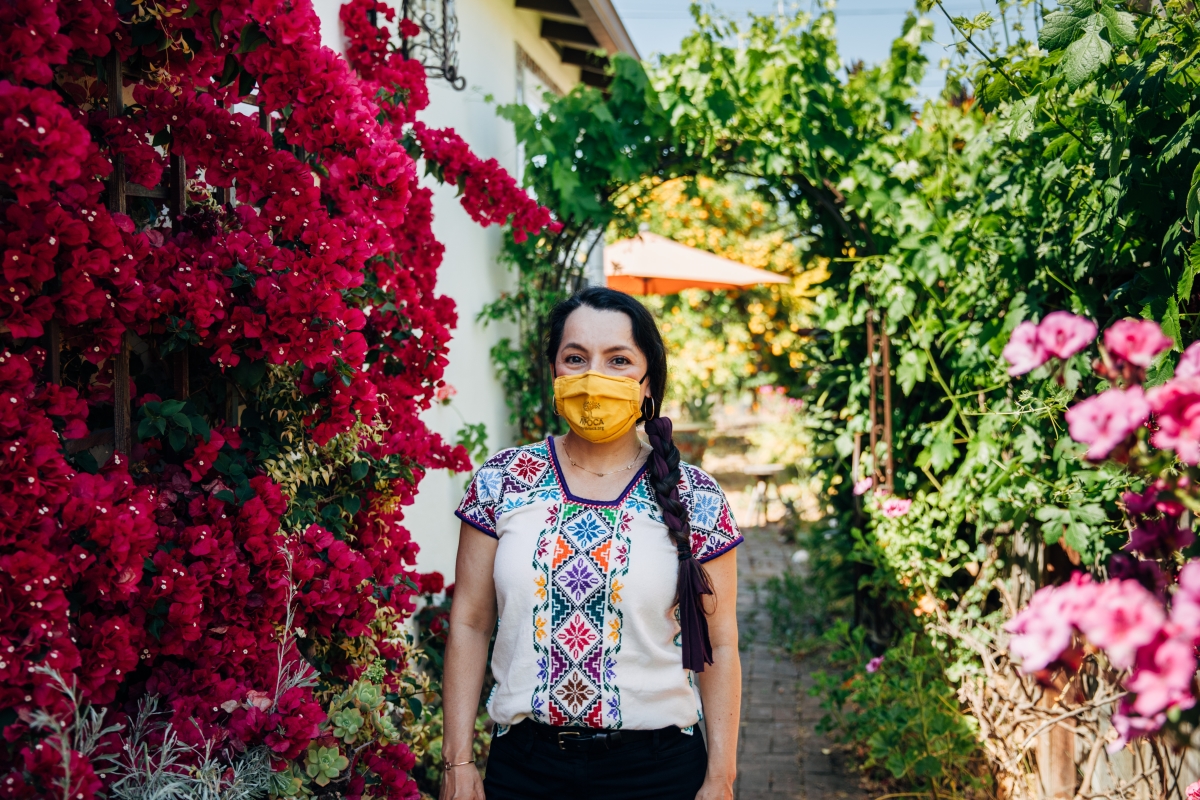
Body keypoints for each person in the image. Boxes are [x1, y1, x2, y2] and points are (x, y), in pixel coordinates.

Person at [438, 287, 744, 800]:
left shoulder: (696, 496)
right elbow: (470, 622)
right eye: (575, 358)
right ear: (554, 372)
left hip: (659, 773)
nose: (593, 376)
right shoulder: (504, 479)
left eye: (618, 360)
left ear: (649, 382)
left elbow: (722, 643)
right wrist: (458, 760)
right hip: (525, 770)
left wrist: (721, 777)